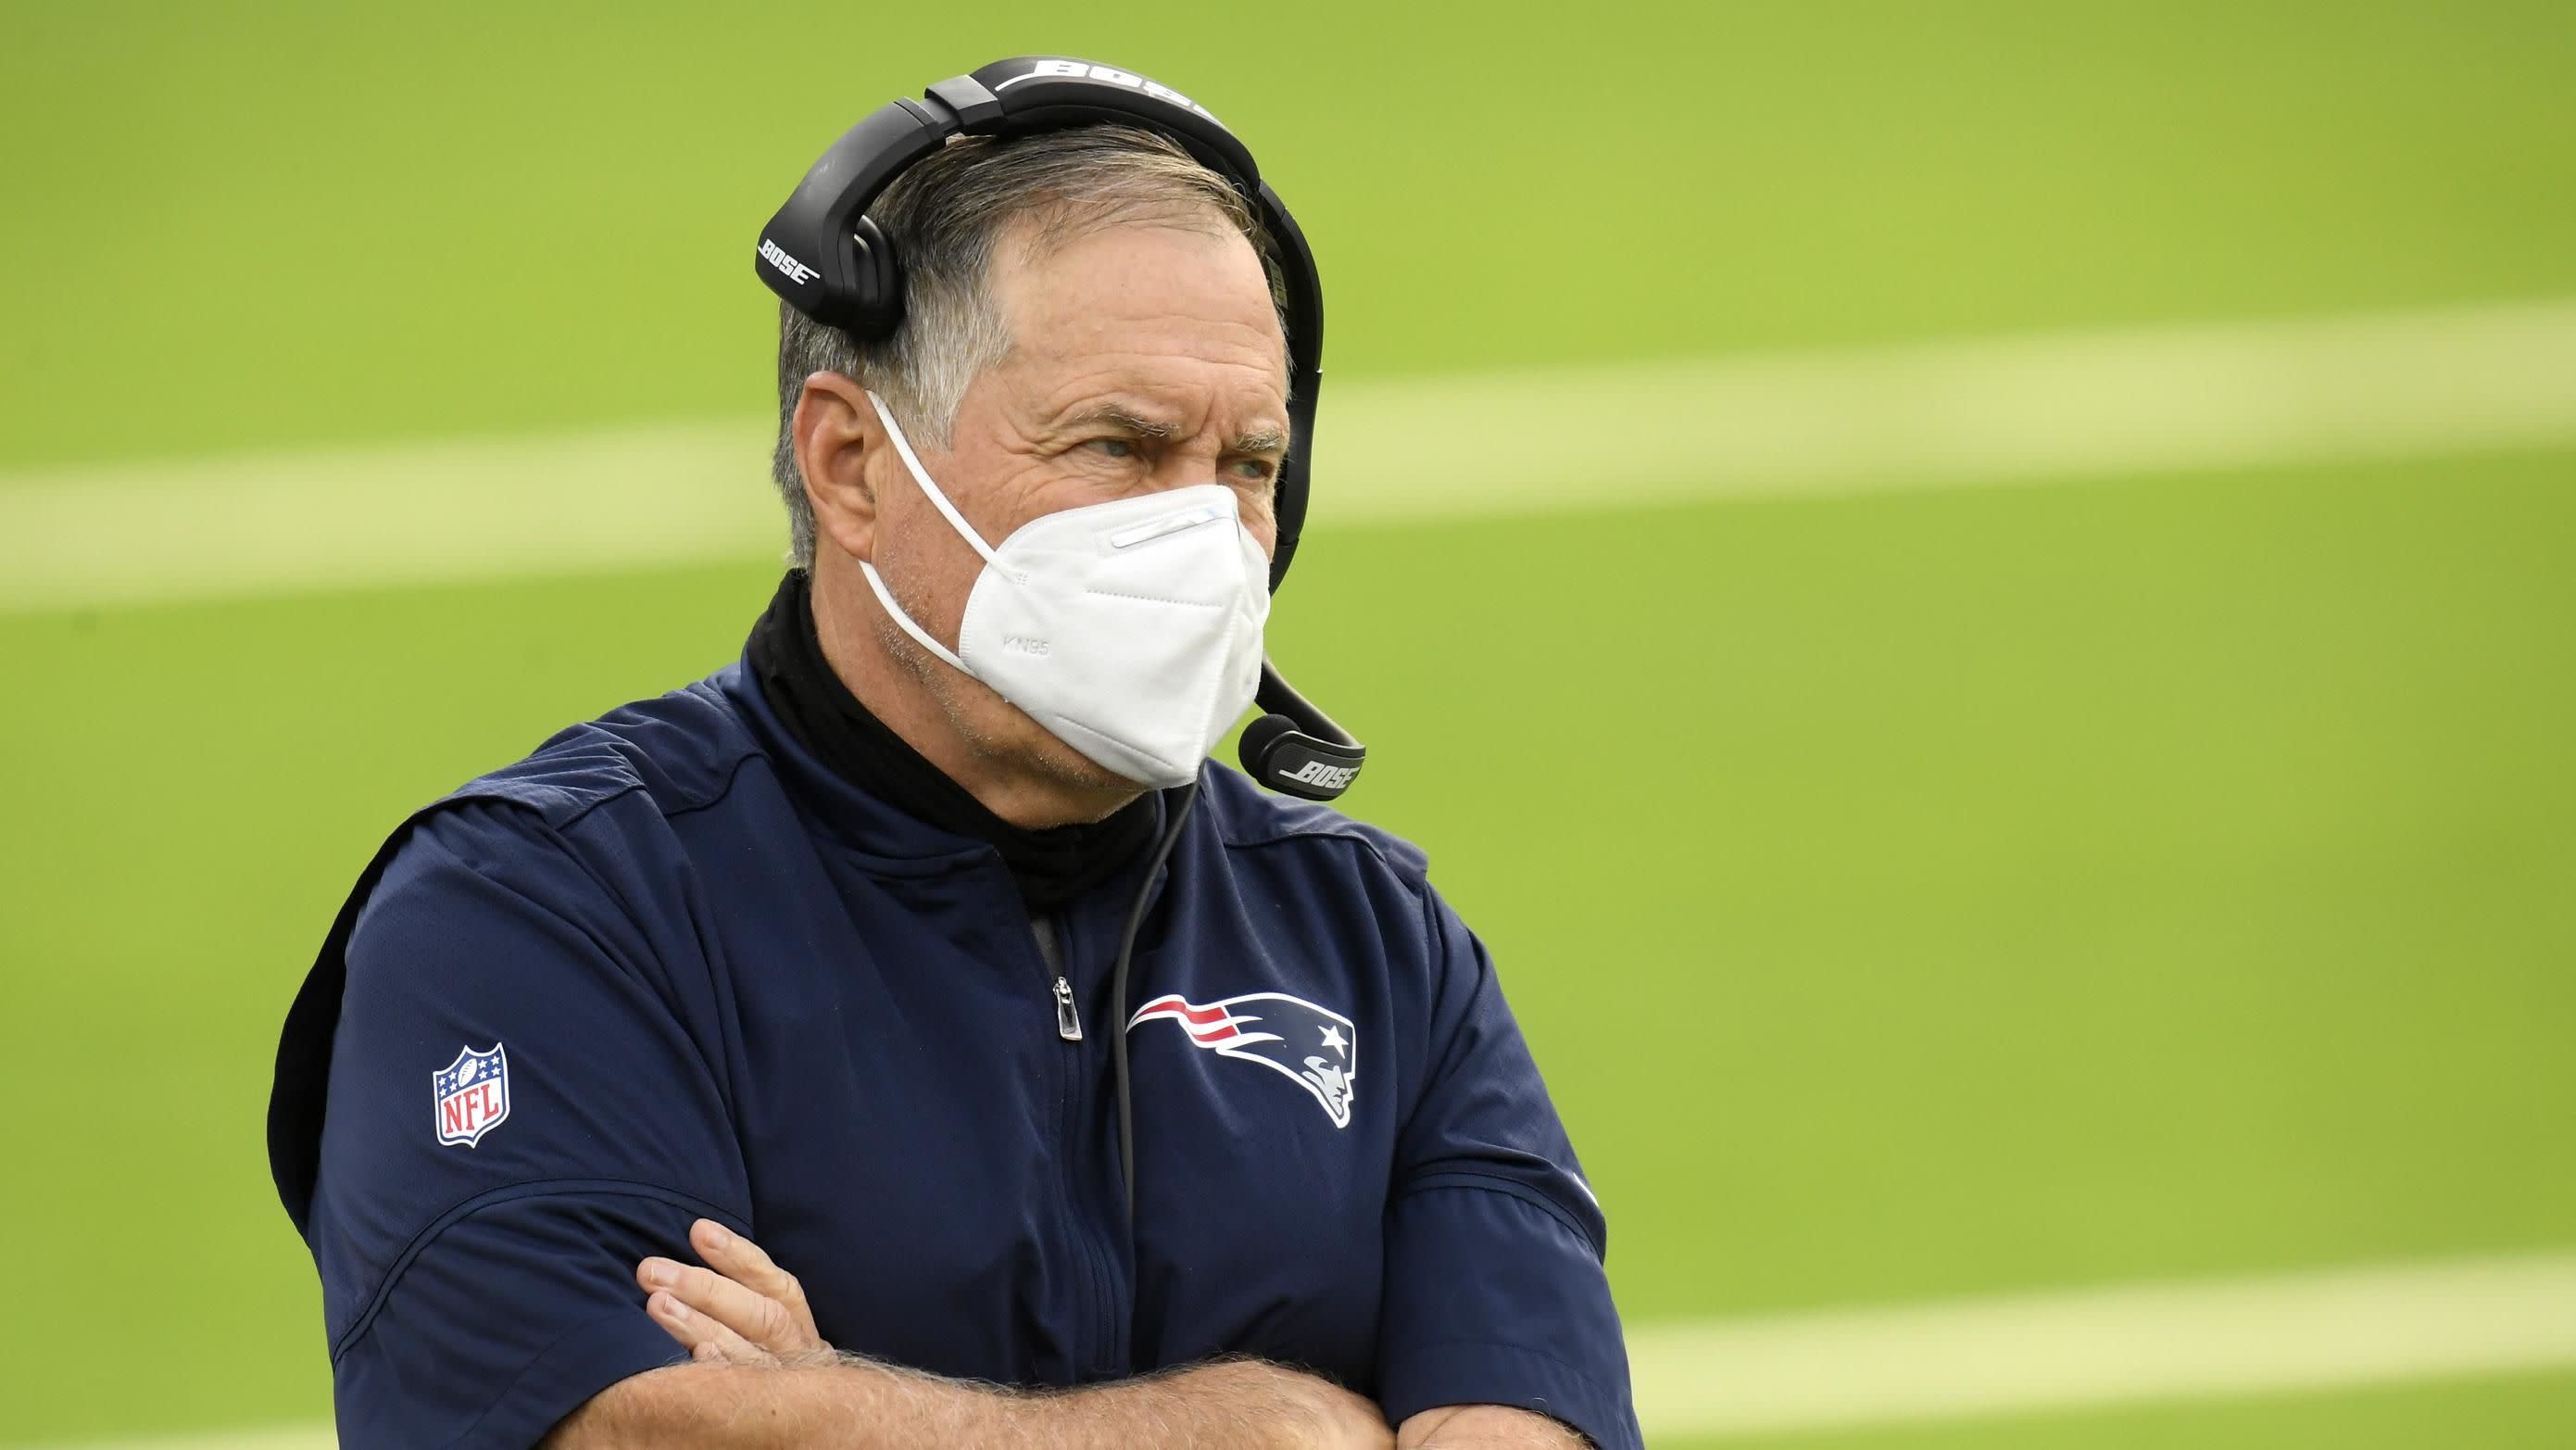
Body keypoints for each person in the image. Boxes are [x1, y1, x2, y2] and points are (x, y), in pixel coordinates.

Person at [267, 57, 1639, 1450]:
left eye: (1247, 463)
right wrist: (1269, 1423)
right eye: (1119, 444)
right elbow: (626, 1433)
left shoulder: (1372, 940)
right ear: (852, 464)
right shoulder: (538, 912)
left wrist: (837, 1410)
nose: (1203, 534)